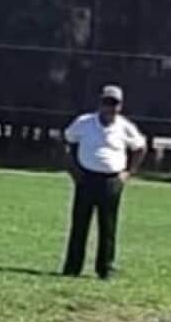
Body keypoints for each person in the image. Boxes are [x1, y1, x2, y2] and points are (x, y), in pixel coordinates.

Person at [61, 84, 148, 279]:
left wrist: (128, 173)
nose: (110, 107)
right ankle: (72, 268)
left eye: (114, 103)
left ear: (120, 106)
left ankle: (105, 268)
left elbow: (140, 148)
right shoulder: (84, 122)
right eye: (107, 102)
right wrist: (73, 170)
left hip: (111, 181)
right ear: (100, 103)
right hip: (86, 178)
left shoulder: (125, 127)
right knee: (79, 224)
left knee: (108, 226)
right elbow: (66, 141)